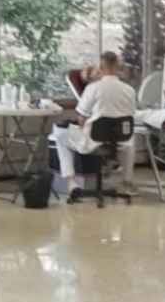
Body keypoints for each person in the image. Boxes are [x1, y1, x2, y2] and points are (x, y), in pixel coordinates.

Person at [55, 51, 138, 197]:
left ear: (99, 67)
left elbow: (82, 118)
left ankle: (72, 183)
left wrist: (81, 128)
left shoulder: (93, 88)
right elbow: (129, 117)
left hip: (93, 140)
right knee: (132, 139)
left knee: (60, 135)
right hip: (121, 141)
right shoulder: (129, 90)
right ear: (118, 67)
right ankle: (126, 183)